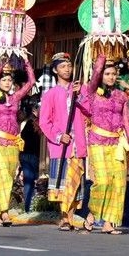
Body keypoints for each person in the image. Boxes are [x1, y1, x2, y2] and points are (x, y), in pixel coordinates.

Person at [77, 55, 129, 235]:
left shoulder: (122, 96)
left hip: (117, 144)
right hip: (98, 142)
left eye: (114, 74)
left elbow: (127, 121)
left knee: (119, 183)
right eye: (107, 73)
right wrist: (102, 54)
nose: (111, 77)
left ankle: (109, 222)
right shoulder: (92, 92)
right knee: (102, 181)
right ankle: (92, 214)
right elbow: (96, 73)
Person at [38, 52, 87, 231]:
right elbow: (44, 121)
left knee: (75, 181)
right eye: (63, 66)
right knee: (63, 182)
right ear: (55, 70)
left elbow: (90, 111)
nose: (67, 69)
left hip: (78, 143)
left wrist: (80, 96)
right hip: (61, 146)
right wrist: (59, 136)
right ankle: (65, 216)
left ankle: (70, 216)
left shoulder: (80, 90)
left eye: (69, 66)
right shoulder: (50, 94)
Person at [0, 59, 35, 226]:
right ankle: (6, 212)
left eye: (9, 80)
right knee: (3, 176)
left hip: (13, 142)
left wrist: (27, 63)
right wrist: (2, 62)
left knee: (9, 176)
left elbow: (31, 83)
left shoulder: (15, 98)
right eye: (4, 80)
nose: (7, 82)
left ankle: (0, 214)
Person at [19, 99, 41, 213]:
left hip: (31, 156)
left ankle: (29, 207)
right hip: (30, 156)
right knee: (30, 181)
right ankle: (28, 208)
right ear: (34, 111)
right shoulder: (32, 123)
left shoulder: (36, 123)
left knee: (30, 181)